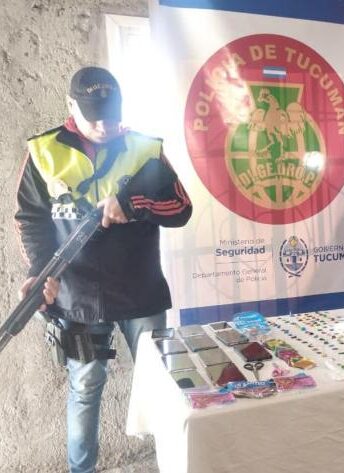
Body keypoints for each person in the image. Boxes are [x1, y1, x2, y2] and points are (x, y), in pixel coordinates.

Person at [14, 66, 192, 473]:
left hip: (140, 290)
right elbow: (31, 220)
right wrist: (40, 274)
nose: (104, 124)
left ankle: (174, 464)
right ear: (70, 105)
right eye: (93, 115)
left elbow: (181, 208)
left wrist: (134, 205)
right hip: (76, 294)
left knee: (161, 386)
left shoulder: (145, 149)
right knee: (84, 387)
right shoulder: (44, 151)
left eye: (111, 114)